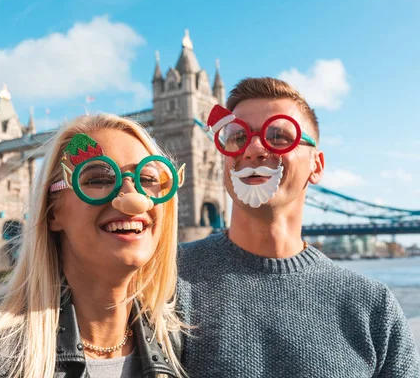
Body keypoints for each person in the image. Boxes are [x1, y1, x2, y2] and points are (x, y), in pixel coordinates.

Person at [177, 77, 420, 377]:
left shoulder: (374, 307)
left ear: (316, 165)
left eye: (277, 136)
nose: (252, 150)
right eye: (237, 137)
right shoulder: (166, 278)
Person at [0, 113, 187, 378]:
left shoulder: (176, 341)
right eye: (99, 179)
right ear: (53, 210)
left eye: (149, 179)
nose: (133, 199)